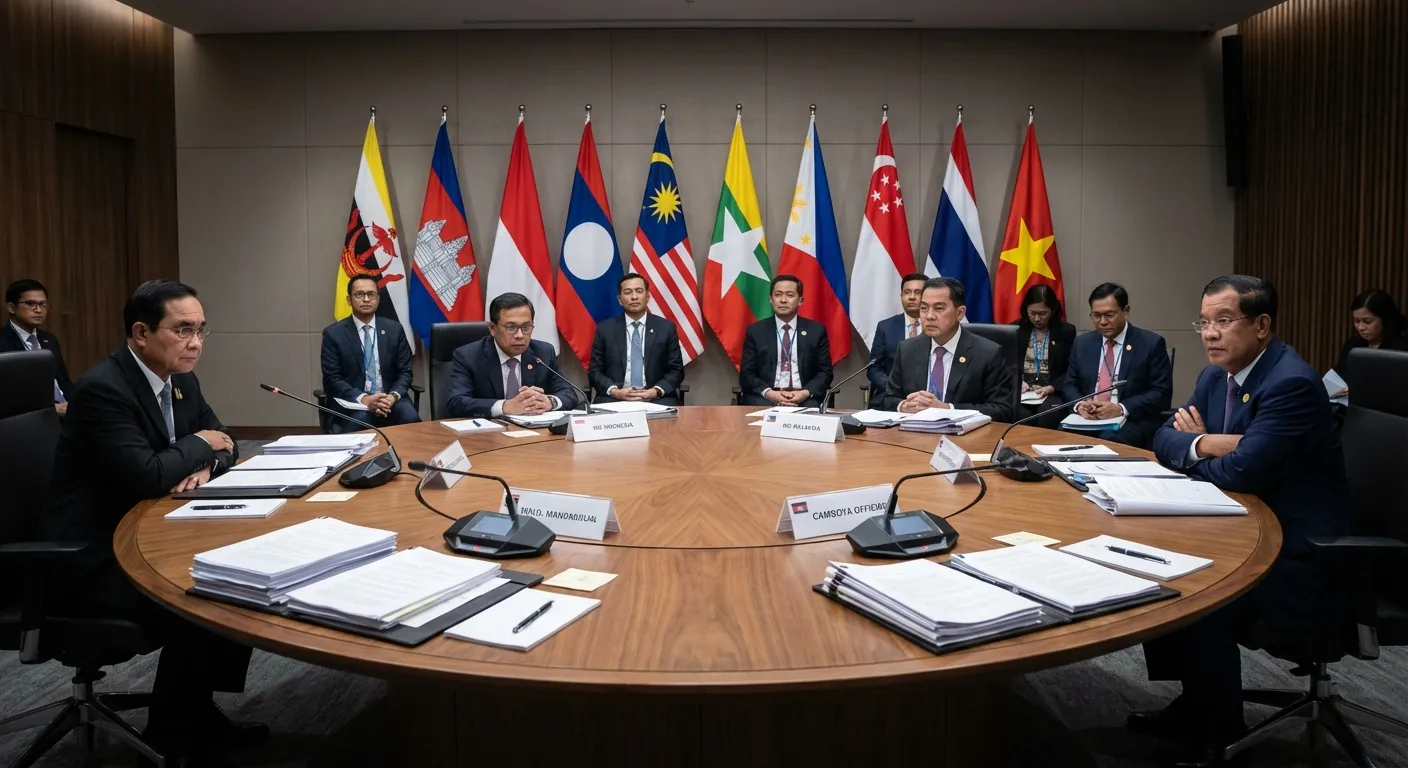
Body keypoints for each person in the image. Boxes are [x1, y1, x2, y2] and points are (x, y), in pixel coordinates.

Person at [37, 280, 263, 765]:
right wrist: (200, 446)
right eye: (182, 330)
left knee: (236, 573)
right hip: (87, 557)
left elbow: (226, 442)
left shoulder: (182, 379)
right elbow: (149, 474)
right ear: (140, 333)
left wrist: (203, 460)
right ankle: (175, 732)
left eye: (202, 330)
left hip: (145, 533)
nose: (195, 342)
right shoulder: (103, 389)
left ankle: (192, 713)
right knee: (209, 593)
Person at [1135, 275, 1349, 766]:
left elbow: (1245, 471)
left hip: (1303, 551)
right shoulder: (1217, 376)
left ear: (1262, 326)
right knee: (1156, 564)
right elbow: (1162, 438)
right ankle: (1196, 705)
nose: (1210, 334)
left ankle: (1218, 729)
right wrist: (1209, 443)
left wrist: (1215, 453)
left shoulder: (1290, 383)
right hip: (1241, 524)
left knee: (1196, 591)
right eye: (1204, 322)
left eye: (1224, 321)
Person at [879, 277, 1013, 420]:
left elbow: (1001, 409)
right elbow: (888, 399)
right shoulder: (907, 349)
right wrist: (904, 406)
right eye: (924, 308)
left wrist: (947, 409)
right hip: (914, 435)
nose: (929, 316)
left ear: (960, 313)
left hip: (964, 438)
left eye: (939, 309)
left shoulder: (988, 353)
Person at [1061, 283, 1172, 448]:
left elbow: (1161, 393)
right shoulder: (1082, 343)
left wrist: (1121, 408)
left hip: (1129, 421)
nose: (1102, 322)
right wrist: (1080, 405)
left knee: (1107, 441)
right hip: (1086, 419)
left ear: (1126, 311)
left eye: (1109, 315)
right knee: (1060, 438)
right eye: (1096, 315)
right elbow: (1070, 384)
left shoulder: (1150, 344)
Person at [446, 292, 578, 418]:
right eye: (511, 327)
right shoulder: (468, 356)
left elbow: (569, 394)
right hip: (488, 435)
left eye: (526, 327)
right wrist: (505, 406)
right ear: (492, 328)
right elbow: (457, 403)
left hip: (533, 433)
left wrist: (549, 402)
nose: (520, 335)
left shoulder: (543, 352)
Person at [319, 273, 420, 430]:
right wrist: (365, 399)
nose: (366, 299)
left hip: (390, 399)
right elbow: (332, 379)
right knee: (361, 421)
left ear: (378, 299)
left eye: (371, 294)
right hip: (355, 403)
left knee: (410, 417)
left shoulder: (394, 330)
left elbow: (405, 372)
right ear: (349, 299)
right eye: (360, 294)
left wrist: (392, 397)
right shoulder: (333, 334)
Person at [588, 273, 685, 406]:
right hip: (615, 398)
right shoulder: (605, 329)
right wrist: (615, 391)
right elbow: (595, 371)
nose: (634, 297)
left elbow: (676, 370)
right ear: (619, 299)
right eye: (627, 292)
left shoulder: (666, 328)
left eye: (639, 291)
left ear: (647, 296)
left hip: (656, 398)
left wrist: (655, 391)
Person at [738, 275, 833, 408]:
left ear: (800, 300)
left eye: (789, 295)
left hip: (804, 398)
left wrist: (805, 393)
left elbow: (825, 372)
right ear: (770, 299)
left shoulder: (816, 331)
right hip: (766, 398)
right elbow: (747, 374)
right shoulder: (756, 331)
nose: (783, 300)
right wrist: (770, 394)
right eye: (778, 295)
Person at [2, 278, 73, 413]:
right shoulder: (3, 343)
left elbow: (63, 381)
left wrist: (76, 403)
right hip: (32, 417)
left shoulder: (49, 339)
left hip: (66, 411)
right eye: (30, 304)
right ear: (11, 307)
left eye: (43, 304)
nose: (38, 310)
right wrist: (51, 409)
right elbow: (9, 396)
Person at [1012, 283, 1077, 426]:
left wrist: (1053, 387)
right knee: (1019, 414)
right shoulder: (1015, 329)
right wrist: (1017, 381)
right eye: (1032, 313)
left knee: (1048, 414)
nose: (1036, 318)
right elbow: (1006, 363)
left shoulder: (1065, 331)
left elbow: (1072, 368)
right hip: (1024, 391)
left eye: (1042, 314)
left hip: (1052, 391)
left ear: (1052, 310)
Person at [1332, 288, 1408, 398]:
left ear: (1384, 320)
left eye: (1367, 321)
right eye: (1356, 321)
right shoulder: (1352, 345)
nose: (1361, 327)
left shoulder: (1402, 349)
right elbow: (1340, 375)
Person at [866, 272, 927, 397]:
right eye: (907, 292)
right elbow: (874, 367)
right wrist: (891, 388)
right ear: (901, 295)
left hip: (927, 396)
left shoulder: (937, 326)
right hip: (891, 396)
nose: (911, 297)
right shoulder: (886, 327)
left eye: (917, 292)